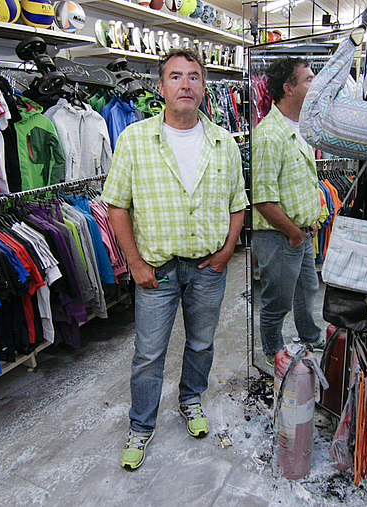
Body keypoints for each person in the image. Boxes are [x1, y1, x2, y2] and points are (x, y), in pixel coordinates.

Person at [102, 48, 247, 471]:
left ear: (204, 86)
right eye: (176, 76)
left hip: (208, 268)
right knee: (149, 352)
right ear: (161, 86)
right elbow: (116, 206)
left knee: (201, 342)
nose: (186, 84)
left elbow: (239, 204)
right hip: (156, 272)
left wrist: (225, 253)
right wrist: (135, 264)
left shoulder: (224, 143)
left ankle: (190, 399)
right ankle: (141, 425)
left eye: (194, 77)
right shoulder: (134, 139)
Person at [251, 56, 324, 364]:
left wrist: (312, 218)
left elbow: (303, 179)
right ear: (288, 88)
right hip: (280, 235)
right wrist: (294, 233)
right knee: (276, 301)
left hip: (300, 232)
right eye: (308, 79)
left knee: (307, 288)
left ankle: (309, 335)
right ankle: (272, 351)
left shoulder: (300, 127)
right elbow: (262, 198)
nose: (315, 83)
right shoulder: (269, 135)